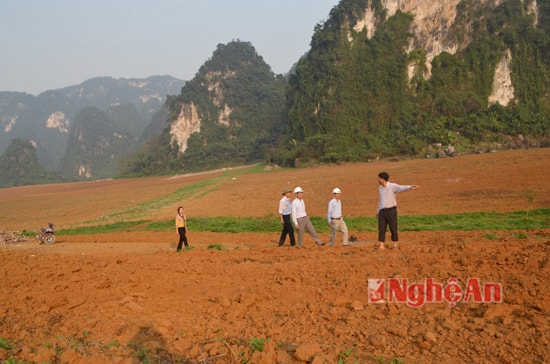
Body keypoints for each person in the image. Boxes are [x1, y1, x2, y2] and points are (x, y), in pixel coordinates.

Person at [377, 172, 419, 250]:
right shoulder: (380, 188)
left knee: (393, 227)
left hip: (391, 210)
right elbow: (380, 200)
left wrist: (410, 187)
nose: (378, 180)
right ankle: (381, 245)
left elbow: (401, 188)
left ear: (383, 179)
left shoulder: (392, 186)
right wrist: (378, 210)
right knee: (382, 228)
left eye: (379, 178)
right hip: (382, 211)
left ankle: (395, 245)